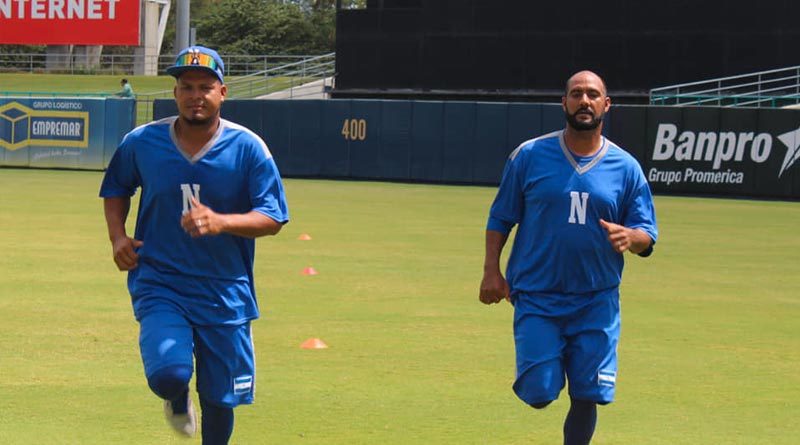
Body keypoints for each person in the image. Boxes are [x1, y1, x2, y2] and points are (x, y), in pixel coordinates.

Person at [99, 45, 289, 444]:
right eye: (186, 87)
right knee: (168, 373)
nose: (195, 95)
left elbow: (272, 217)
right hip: (160, 281)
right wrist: (117, 236)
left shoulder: (248, 147)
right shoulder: (142, 142)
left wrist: (222, 221)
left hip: (225, 289)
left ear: (223, 92)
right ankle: (176, 396)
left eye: (205, 86)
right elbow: (117, 187)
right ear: (175, 93)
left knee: (221, 400)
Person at [478, 70, 658, 445]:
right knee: (541, 392)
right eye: (576, 94)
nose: (584, 101)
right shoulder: (529, 156)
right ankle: (549, 362)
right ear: (564, 103)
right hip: (538, 296)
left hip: (596, 300)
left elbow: (646, 233)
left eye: (593, 94)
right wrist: (491, 271)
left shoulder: (626, 168)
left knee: (588, 393)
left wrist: (633, 237)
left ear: (606, 105)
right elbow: (500, 217)